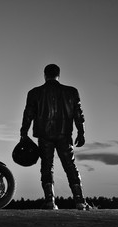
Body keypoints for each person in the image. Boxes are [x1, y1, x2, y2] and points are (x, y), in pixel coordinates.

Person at [20, 64, 91, 210]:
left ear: (45, 75)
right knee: (70, 166)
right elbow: (79, 114)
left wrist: (23, 133)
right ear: (59, 75)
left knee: (46, 166)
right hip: (64, 134)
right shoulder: (71, 92)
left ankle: (50, 201)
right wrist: (81, 133)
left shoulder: (34, 93)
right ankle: (80, 201)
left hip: (44, 135)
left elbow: (28, 114)